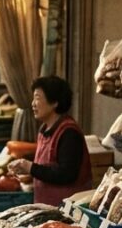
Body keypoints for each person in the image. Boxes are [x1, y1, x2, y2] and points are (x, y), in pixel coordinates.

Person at [9, 76, 93, 206]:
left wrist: (30, 167)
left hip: (67, 212)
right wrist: (30, 173)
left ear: (54, 102)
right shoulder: (44, 129)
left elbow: (66, 174)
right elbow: (47, 168)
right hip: (47, 208)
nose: (33, 104)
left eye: (37, 98)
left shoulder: (69, 132)